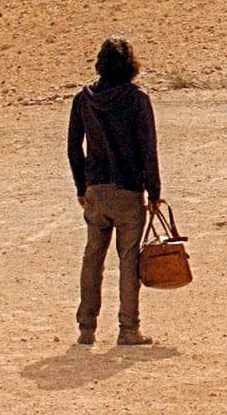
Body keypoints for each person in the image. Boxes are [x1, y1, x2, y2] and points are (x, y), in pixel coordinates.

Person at [68, 36, 163, 347]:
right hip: (127, 190)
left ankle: (86, 328)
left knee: (92, 256)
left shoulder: (84, 98)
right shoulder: (137, 99)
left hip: (95, 189)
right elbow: (148, 148)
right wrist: (153, 191)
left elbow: (73, 147)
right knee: (128, 259)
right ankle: (128, 328)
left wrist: (81, 185)